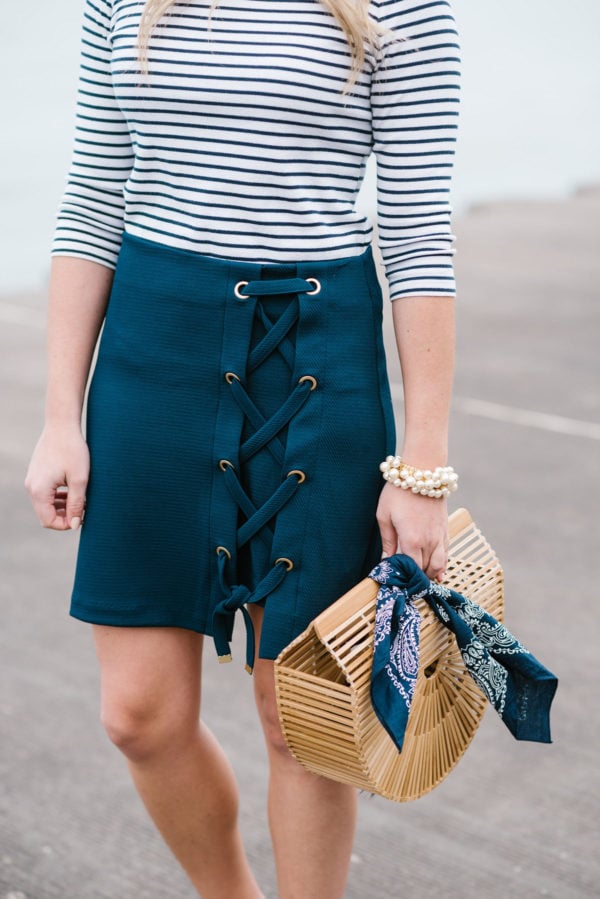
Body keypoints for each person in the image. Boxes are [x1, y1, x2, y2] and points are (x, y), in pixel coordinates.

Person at [24, 0, 461, 895]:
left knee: (300, 715)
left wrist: (421, 467)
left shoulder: (402, 8)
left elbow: (419, 237)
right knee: (139, 714)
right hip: (151, 364)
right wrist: (59, 416)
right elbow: (94, 195)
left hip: (316, 366)